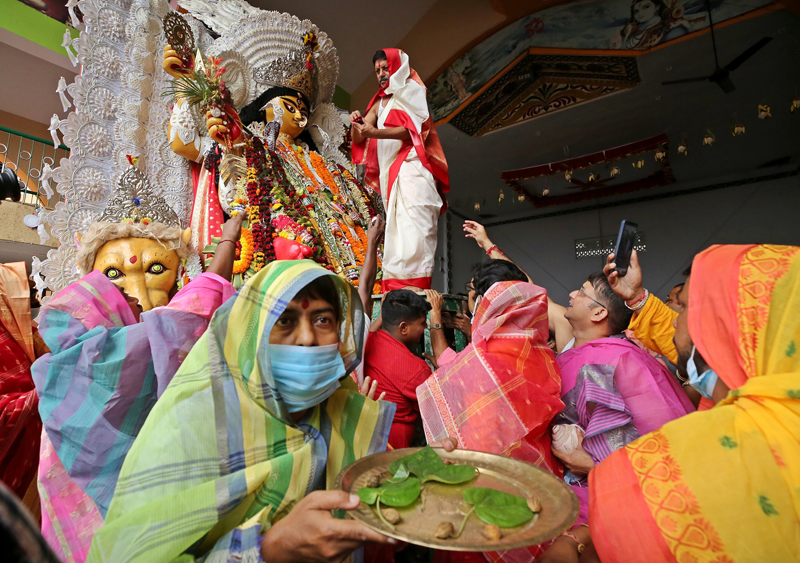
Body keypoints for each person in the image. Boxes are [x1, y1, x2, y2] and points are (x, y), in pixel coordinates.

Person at [87, 260, 456, 562]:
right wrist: (268, 550)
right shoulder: (190, 429)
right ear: (251, 332)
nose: (308, 338)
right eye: (285, 320)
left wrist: (415, 472)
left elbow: (366, 491)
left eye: (323, 320)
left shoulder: (340, 405)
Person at [32, 215, 242, 563]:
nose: (136, 297)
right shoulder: (112, 354)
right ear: (100, 307)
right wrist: (227, 243)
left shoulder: (59, 370)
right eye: (116, 287)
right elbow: (186, 315)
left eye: (155, 270)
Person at [590, 244, 800, 562]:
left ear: (725, 324)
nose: (676, 321)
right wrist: (637, 298)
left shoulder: (674, 472)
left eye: (685, 307)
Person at [418, 259, 565, 563]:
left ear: (489, 299)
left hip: (486, 469)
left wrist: (435, 319)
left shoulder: (488, 353)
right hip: (532, 471)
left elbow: (453, 368)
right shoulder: (538, 348)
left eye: (472, 293)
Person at [552, 272, 694, 526]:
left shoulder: (623, 360)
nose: (572, 294)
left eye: (582, 291)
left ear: (599, 313)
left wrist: (593, 466)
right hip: (560, 489)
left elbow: (662, 446)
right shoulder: (569, 354)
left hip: (614, 502)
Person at [351, 48, 450, 292]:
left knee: (415, 224)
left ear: (397, 67)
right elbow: (360, 136)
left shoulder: (411, 91)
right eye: (377, 71)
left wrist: (374, 132)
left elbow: (413, 130)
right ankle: (396, 288)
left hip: (412, 166)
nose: (381, 74)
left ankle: (416, 286)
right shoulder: (379, 102)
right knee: (398, 228)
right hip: (391, 174)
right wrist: (356, 122)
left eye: (385, 68)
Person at [363, 288, 447, 449]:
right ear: (403, 328)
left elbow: (372, 330)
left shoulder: (367, 341)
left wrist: (383, 315)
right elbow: (442, 405)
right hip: (394, 446)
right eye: (422, 323)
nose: (425, 327)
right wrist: (436, 319)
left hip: (365, 436)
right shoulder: (416, 369)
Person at [0, 262, 49, 518]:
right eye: (21, 291)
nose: (30, 297)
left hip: (40, 445)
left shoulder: (25, 333)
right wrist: (37, 396)